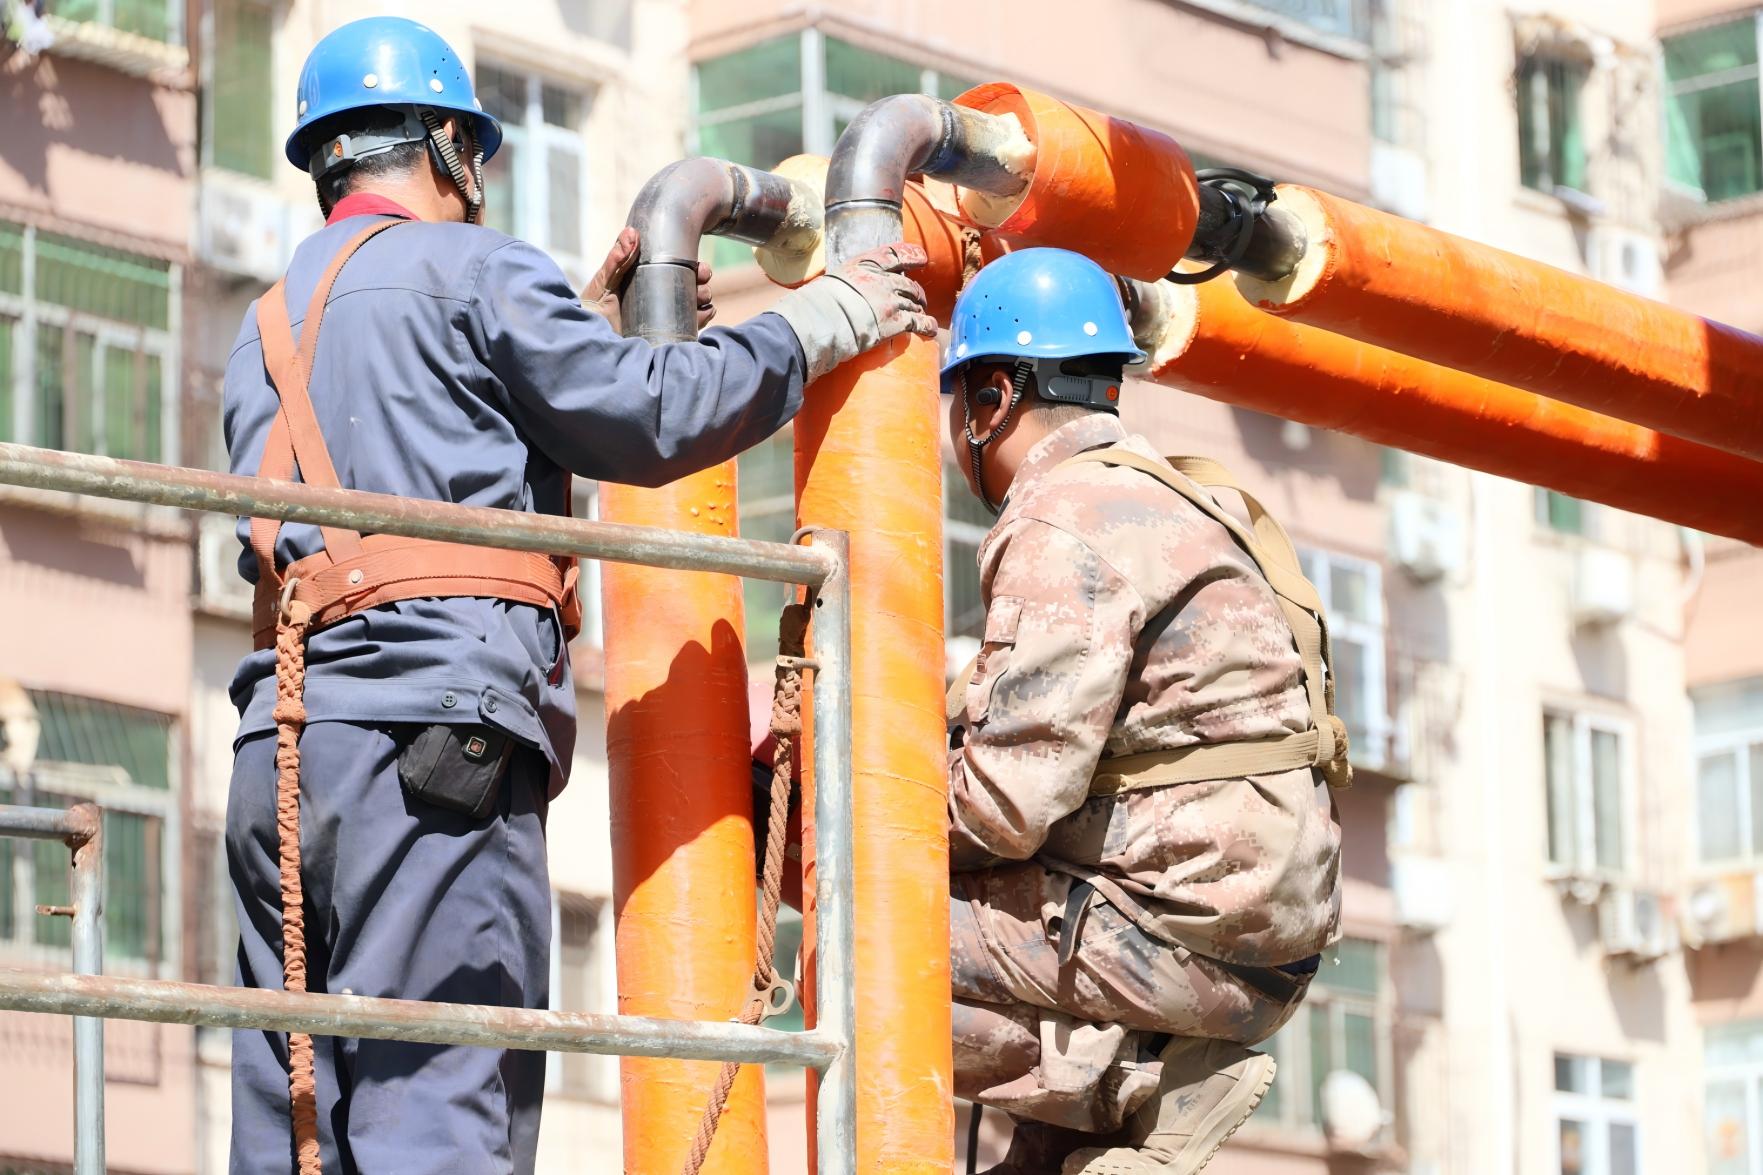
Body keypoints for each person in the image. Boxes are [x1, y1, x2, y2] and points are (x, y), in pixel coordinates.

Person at [221, 16, 934, 1175]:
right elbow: (648, 414)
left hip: (282, 755)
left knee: (294, 1122)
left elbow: (408, 436)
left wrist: (573, 330)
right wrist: (818, 321)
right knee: (437, 1111)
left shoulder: (261, 329)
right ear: (450, 147)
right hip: (430, 747)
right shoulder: (479, 270)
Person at [938, 248, 1347, 1174]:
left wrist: (859, 801)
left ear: (991, 398)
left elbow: (1002, 806)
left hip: (1180, 939)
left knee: (865, 929)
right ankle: (1069, 1146)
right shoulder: (1179, 493)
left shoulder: (1062, 516)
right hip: (1266, 939)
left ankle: (1138, 1088)